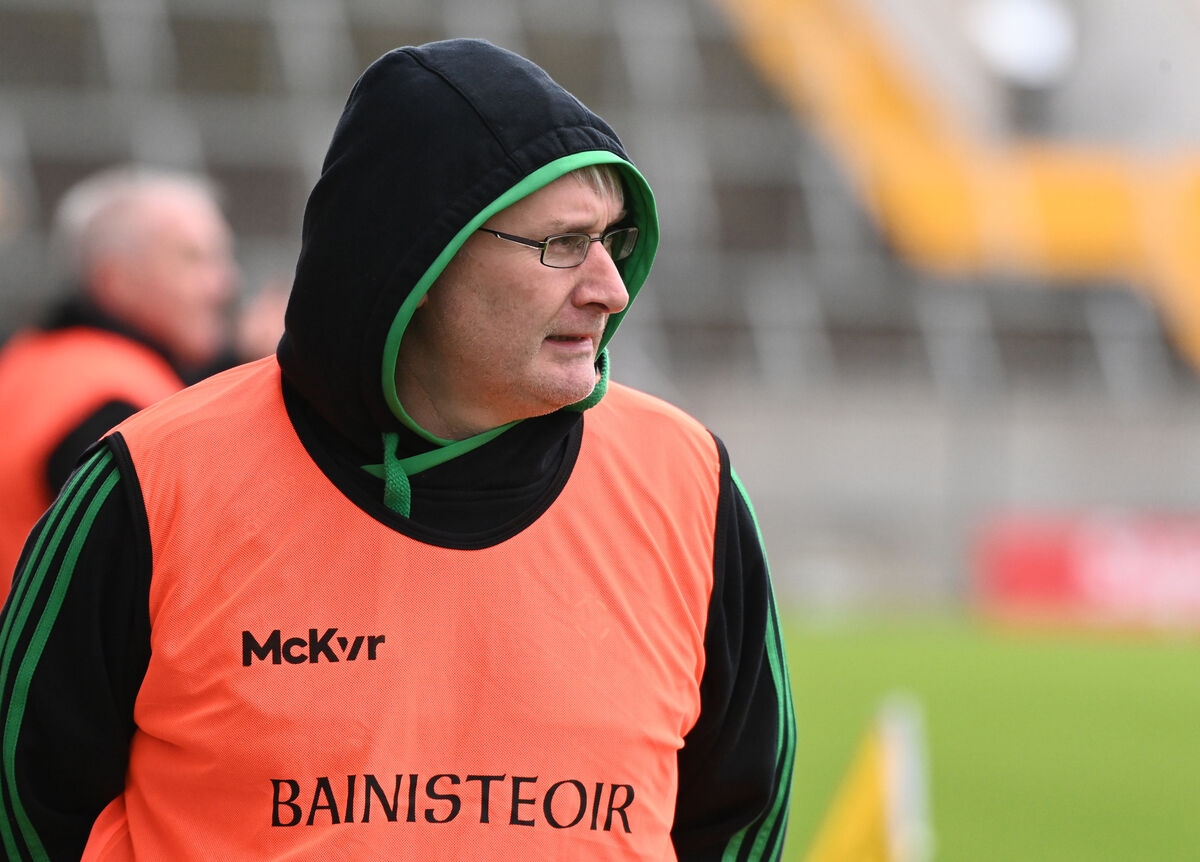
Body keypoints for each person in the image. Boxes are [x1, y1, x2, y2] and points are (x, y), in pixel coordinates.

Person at [0, 39, 795, 861]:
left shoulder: (687, 481)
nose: (611, 287)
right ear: (420, 255)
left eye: (612, 238)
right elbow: (26, 813)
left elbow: (738, 815)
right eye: (562, 243)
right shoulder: (150, 481)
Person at [0, 166, 246, 576]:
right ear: (116, 281)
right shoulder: (117, 405)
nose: (223, 285)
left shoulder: (31, 357)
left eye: (223, 259)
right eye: (193, 259)